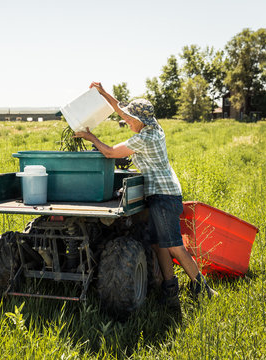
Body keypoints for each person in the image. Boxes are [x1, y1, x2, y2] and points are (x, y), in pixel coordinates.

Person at [74, 82, 217, 307]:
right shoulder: (151, 126)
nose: (126, 120)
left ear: (142, 121)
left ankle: (203, 288)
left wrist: (90, 137)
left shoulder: (145, 138)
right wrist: (103, 93)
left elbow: (111, 153)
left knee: (173, 246)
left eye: (131, 119)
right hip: (160, 193)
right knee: (158, 243)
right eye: (128, 117)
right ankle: (169, 291)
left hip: (164, 196)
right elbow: (123, 109)